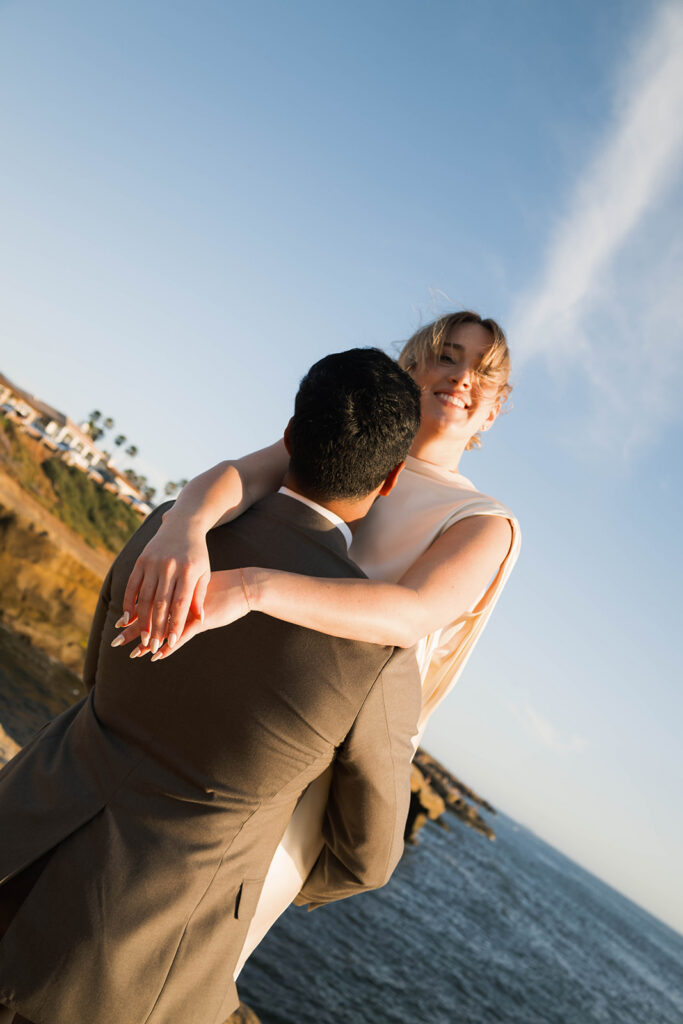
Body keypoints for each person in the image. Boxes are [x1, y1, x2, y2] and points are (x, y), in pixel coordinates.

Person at [0, 349, 423, 1024]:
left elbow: (97, 671)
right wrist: (248, 875)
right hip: (129, 966)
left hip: (18, 826)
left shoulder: (172, 529)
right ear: (392, 477)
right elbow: (367, 859)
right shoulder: (376, 655)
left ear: (289, 435)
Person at [113, 310, 522, 972]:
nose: (461, 377)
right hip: (231, 692)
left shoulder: (484, 523)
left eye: (483, 372)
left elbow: (410, 614)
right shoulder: (354, 440)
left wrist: (252, 588)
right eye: (447, 357)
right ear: (411, 369)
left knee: (203, 949)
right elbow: (240, 475)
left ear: (495, 410)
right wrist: (182, 527)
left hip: (324, 750)